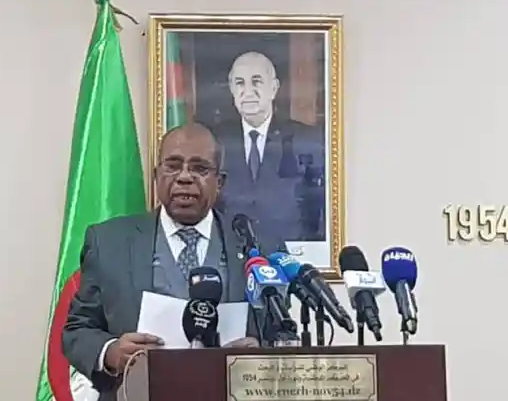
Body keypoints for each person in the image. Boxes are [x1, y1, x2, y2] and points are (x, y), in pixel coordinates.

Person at [62, 123, 262, 400]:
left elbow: (277, 333)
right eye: (173, 166)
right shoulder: (108, 242)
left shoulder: (252, 245)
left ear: (220, 182)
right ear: (157, 176)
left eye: (200, 168)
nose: (184, 177)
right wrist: (111, 351)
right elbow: (77, 329)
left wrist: (259, 354)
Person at [210, 51, 327, 250]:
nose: (248, 92)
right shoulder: (215, 140)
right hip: (230, 255)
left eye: (256, 82)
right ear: (231, 89)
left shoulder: (306, 139)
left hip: (291, 255)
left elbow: (319, 209)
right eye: (240, 83)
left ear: (274, 88)